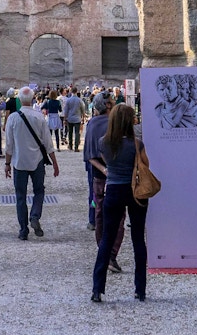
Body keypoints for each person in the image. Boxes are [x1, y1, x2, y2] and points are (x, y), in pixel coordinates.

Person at [91, 104, 148, 302]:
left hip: (114, 189)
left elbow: (107, 162)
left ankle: (97, 288)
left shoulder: (103, 142)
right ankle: (140, 289)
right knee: (138, 238)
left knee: (107, 238)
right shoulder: (137, 143)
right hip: (135, 191)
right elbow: (144, 165)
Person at [4, 86, 59, 240]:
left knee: (20, 196)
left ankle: (23, 230)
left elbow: (9, 145)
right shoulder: (39, 117)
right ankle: (35, 216)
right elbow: (48, 143)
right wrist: (55, 163)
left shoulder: (13, 118)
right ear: (33, 98)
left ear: (20, 100)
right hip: (37, 161)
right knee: (39, 191)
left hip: (19, 161)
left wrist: (7, 164)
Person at [83, 97, 123, 273]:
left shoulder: (91, 124)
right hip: (118, 175)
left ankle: (103, 251)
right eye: (112, 102)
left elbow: (89, 154)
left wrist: (103, 169)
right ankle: (111, 255)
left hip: (99, 175)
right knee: (119, 216)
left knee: (100, 213)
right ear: (107, 105)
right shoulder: (115, 122)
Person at [63, 87, 85, 152]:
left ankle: (70, 145)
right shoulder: (79, 100)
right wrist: (83, 118)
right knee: (77, 133)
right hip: (77, 118)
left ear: (71, 91)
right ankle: (76, 147)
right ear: (76, 91)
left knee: (70, 132)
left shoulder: (68, 100)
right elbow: (83, 110)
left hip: (70, 118)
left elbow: (66, 111)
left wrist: (65, 119)